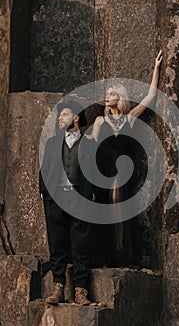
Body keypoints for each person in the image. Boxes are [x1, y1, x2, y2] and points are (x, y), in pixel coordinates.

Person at [87, 50, 163, 267]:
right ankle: (106, 255)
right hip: (102, 167)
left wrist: (156, 68)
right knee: (104, 206)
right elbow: (90, 142)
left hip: (121, 167)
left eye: (112, 93)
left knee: (118, 204)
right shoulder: (100, 120)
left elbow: (150, 97)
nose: (108, 95)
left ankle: (122, 252)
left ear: (119, 98)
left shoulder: (130, 118)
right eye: (107, 93)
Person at [39, 101, 94, 306]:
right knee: (57, 244)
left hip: (80, 198)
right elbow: (44, 170)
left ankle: (81, 291)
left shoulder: (89, 143)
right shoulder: (53, 142)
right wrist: (45, 194)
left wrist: (90, 197)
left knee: (81, 245)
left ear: (76, 117)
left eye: (64, 114)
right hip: (55, 199)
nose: (60, 118)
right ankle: (58, 288)